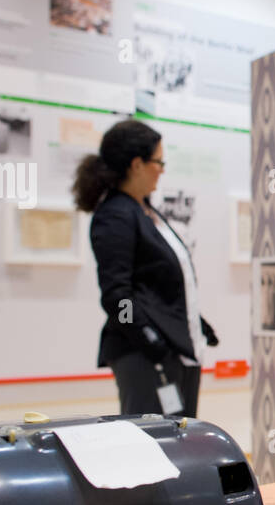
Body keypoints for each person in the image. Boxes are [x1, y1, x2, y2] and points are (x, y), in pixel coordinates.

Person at [74, 119, 217, 417]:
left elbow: (158, 284)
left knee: (181, 439)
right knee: (155, 444)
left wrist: (194, 322)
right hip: (146, 357)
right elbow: (118, 297)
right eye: (158, 161)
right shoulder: (116, 214)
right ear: (137, 164)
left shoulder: (145, 210)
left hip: (178, 351)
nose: (162, 169)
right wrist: (145, 337)